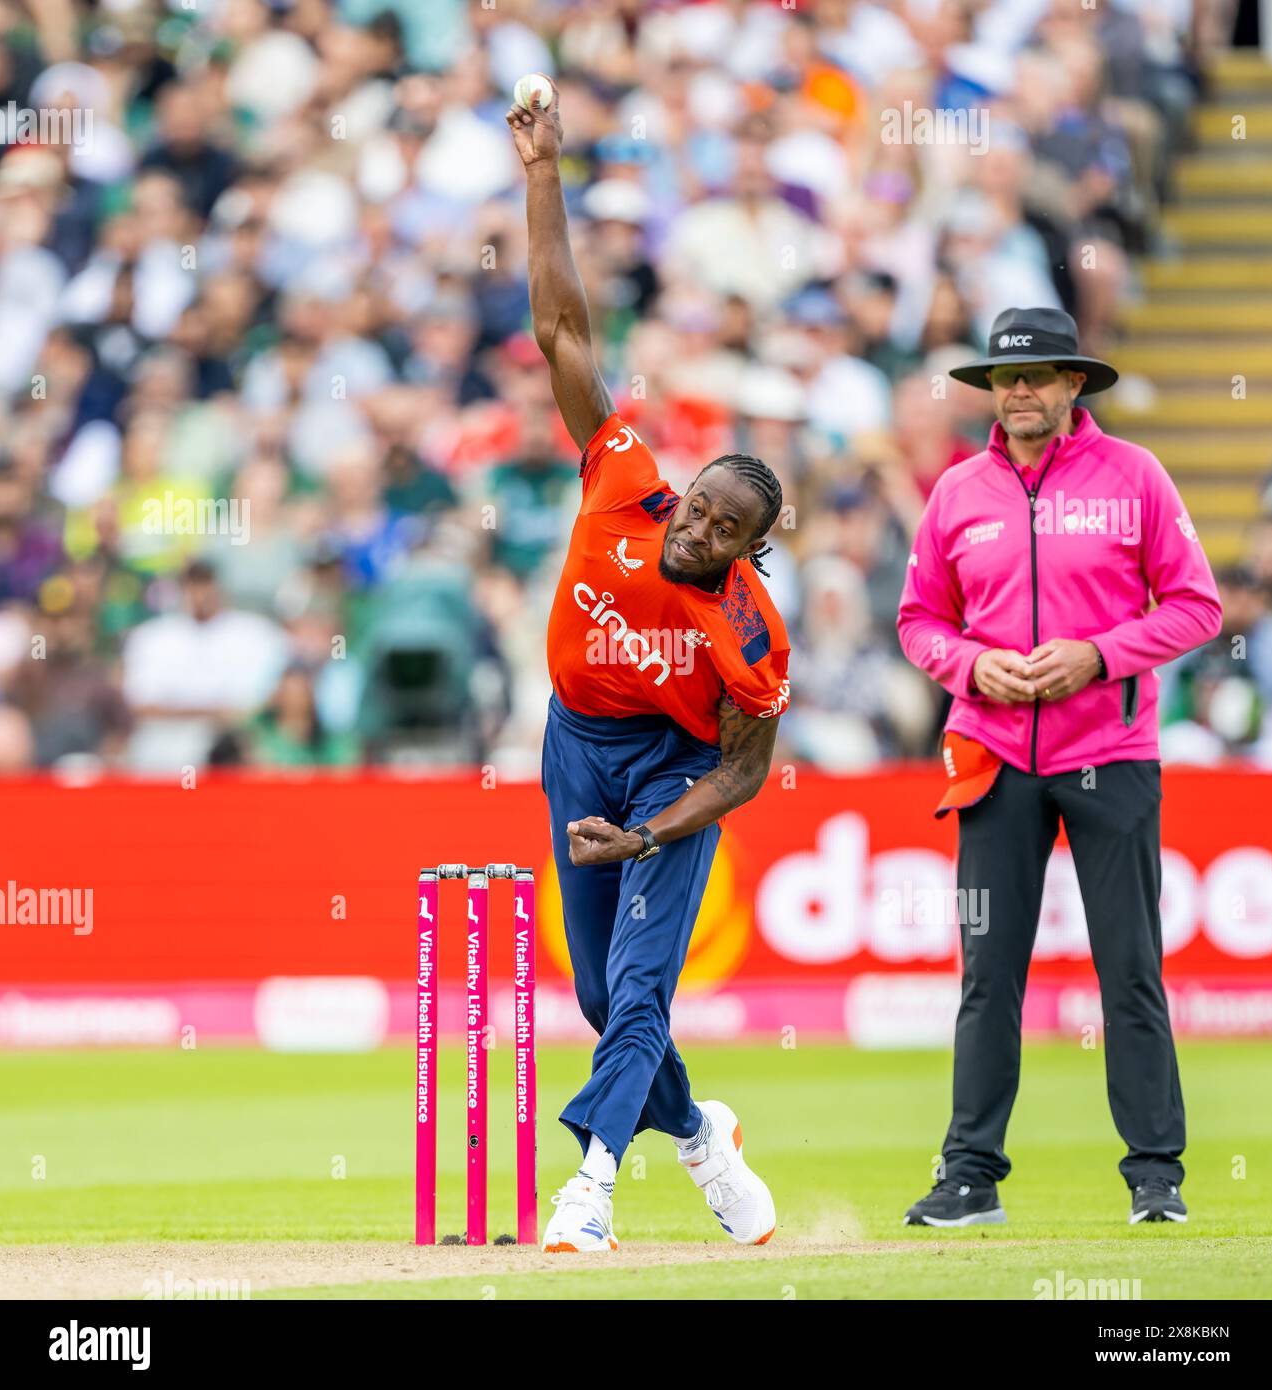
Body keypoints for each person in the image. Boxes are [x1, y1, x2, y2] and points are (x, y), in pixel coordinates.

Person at [507, 83, 791, 1253]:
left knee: (636, 994)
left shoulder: (750, 626)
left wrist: (657, 830)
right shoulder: (626, 478)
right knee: (592, 995)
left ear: (750, 549)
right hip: (577, 741)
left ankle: (592, 1187)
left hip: (673, 774)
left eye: (725, 529)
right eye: (701, 508)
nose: (698, 532)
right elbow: (564, 332)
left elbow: (746, 771)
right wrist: (540, 173)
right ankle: (703, 1137)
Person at [897, 306, 1222, 1228]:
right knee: (986, 973)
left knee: (1129, 969)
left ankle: (1155, 1176)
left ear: (1074, 383)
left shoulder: (1136, 477)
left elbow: (1196, 607)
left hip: (1109, 757)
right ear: (990, 391)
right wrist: (970, 666)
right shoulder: (957, 492)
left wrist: (1098, 656)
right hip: (992, 760)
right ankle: (968, 1178)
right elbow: (917, 620)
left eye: (1038, 375)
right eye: (1006, 378)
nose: (1021, 391)